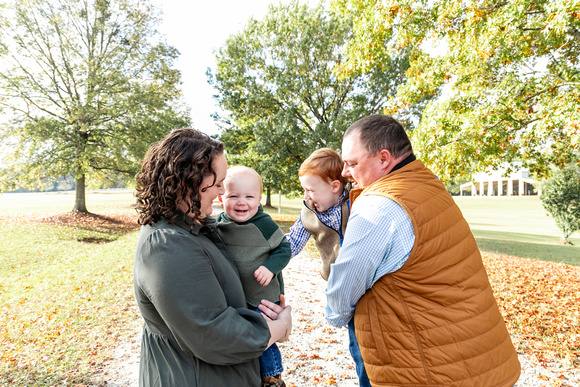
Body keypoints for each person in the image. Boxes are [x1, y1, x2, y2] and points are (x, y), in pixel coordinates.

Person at [325, 115, 521, 386]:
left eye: (352, 163)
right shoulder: (428, 184)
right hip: (475, 357)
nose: (345, 172)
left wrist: (336, 315)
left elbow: (346, 284)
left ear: (383, 158)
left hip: (423, 367)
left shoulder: (378, 206)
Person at [133, 128, 292, 387]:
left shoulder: (193, 225)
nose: (220, 192)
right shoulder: (167, 245)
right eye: (218, 183)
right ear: (189, 182)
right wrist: (278, 328)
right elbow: (212, 333)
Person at [215, 166, 292, 387]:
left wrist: (270, 267)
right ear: (221, 197)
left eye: (249, 197)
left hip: (263, 296)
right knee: (243, 336)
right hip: (239, 295)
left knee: (263, 336)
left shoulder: (264, 224)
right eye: (233, 196)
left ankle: (273, 377)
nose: (242, 202)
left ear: (258, 199)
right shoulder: (219, 223)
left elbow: (284, 248)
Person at [285, 148, 351, 280]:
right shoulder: (309, 214)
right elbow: (293, 242)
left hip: (362, 274)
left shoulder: (355, 199)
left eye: (310, 190)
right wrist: (269, 253)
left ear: (334, 187)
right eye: (304, 189)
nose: (306, 196)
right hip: (334, 278)